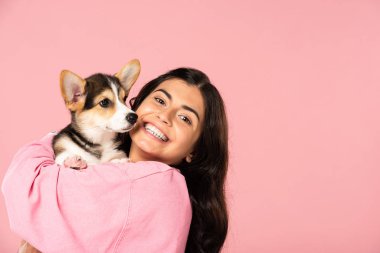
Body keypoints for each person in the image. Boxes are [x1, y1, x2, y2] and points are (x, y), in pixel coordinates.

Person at [2, 67, 229, 253]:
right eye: (160, 101)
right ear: (137, 103)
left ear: (195, 151)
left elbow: (27, 192)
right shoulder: (119, 164)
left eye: (184, 118)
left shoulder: (158, 183)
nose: (164, 116)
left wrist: (49, 143)